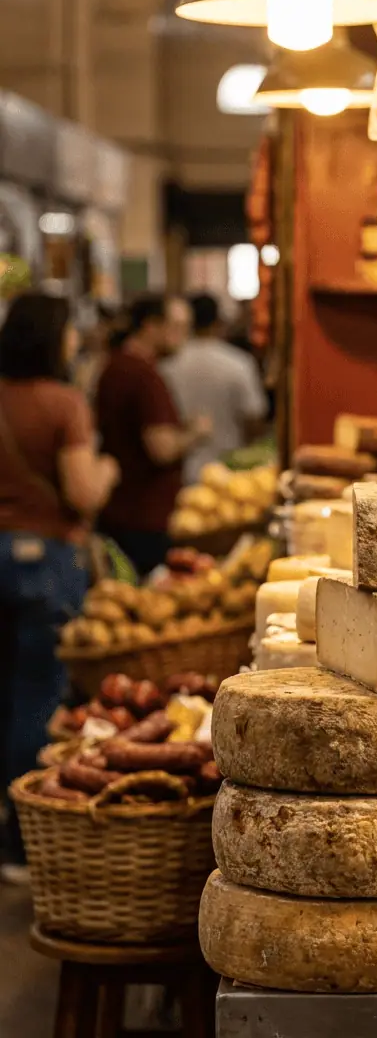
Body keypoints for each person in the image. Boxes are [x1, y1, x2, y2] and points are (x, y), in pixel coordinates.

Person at [0, 292, 120, 881]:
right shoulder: (64, 404)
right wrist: (108, 471)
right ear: (55, 338)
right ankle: (24, 843)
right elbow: (83, 493)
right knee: (37, 696)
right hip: (44, 562)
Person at [95, 294, 209, 576]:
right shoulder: (142, 375)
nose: (184, 336)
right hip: (143, 517)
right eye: (177, 326)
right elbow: (162, 448)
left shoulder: (116, 365)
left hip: (123, 513)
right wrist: (196, 433)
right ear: (150, 326)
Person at [162, 293, 268, 484]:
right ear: (218, 322)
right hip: (230, 473)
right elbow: (253, 418)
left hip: (179, 472)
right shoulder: (239, 363)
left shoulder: (168, 365)